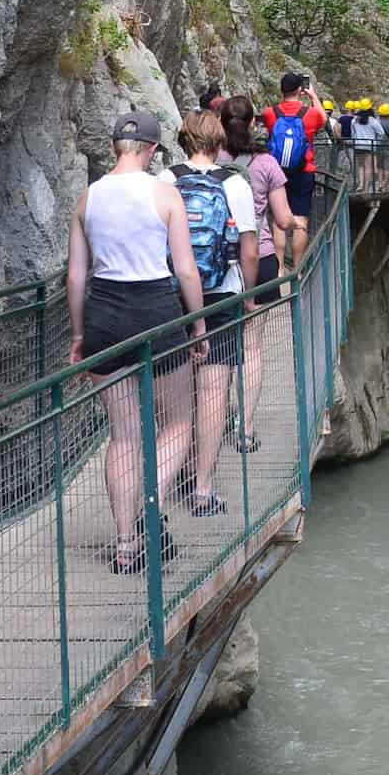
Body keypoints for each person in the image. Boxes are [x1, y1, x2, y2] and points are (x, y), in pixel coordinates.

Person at [67, 106, 205, 578]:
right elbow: (185, 268)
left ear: (113, 148)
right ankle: (153, 501)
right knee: (177, 423)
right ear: (150, 150)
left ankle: (126, 544)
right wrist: (198, 325)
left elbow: (76, 273)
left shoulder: (87, 199)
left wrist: (80, 335)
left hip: (104, 312)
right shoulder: (165, 195)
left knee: (123, 434)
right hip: (155, 310)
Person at [172, 110, 259, 508]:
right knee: (212, 389)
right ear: (219, 140)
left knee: (176, 388)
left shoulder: (165, 180)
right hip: (222, 293)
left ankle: (181, 465)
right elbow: (249, 247)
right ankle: (203, 488)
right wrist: (249, 293)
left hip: (172, 296)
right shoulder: (234, 183)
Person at [219, 95, 296, 449]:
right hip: (261, 260)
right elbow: (282, 219)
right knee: (252, 348)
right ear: (253, 124)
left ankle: (213, 418)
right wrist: (295, 222)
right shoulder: (266, 164)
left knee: (217, 350)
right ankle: (245, 430)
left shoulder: (212, 161)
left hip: (219, 265)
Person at [262, 70, 325, 259]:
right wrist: (313, 96)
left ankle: (280, 267)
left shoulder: (270, 113)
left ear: (281, 90)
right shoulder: (311, 114)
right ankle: (297, 269)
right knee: (300, 220)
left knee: (279, 220)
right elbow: (324, 119)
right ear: (300, 89)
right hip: (303, 171)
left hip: (277, 171)